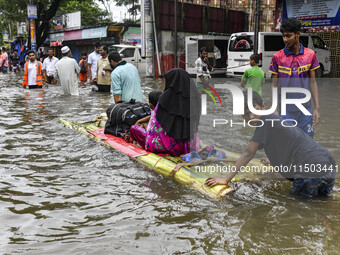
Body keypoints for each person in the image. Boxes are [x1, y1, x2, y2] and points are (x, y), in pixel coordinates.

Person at [205, 92, 336, 198]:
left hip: (309, 169)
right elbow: (290, 143)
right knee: (321, 204)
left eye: (254, 110)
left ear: (263, 106)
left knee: (297, 207)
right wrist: (273, 161)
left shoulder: (265, 120)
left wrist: (226, 178)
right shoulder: (273, 119)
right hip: (326, 163)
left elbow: (249, 152)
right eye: (245, 114)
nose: (251, 116)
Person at [130, 68, 201, 156]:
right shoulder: (195, 99)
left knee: (134, 129)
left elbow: (153, 126)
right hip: (188, 147)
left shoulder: (165, 100)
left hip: (168, 147)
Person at [269, 17, 320, 138]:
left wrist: (317, 108)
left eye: (288, 36)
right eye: (283, 36)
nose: (285, 39)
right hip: (285, 110)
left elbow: (313, 83)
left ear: (297, 34)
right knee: (287, 143)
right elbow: (274, 85)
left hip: (305, 109)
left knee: (309, 143)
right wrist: (275, 109)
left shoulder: (310, 55)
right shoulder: (277, 57)